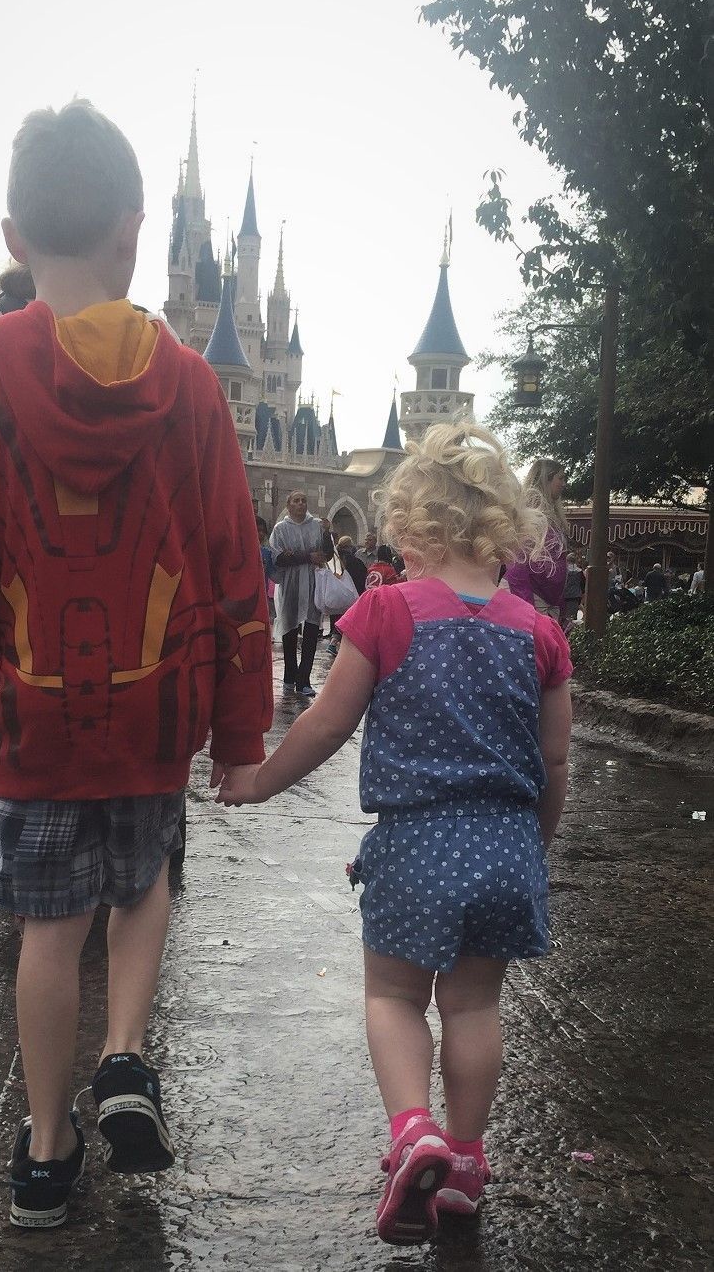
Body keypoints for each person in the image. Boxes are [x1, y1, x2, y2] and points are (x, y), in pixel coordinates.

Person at [0, 99, 272, 1230]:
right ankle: (125, 1051)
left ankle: (45, 1148)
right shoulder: (198, 390)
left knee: (47, 930)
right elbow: (233, 567)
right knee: (144, 878)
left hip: (29, 715)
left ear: (14, 240)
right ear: (135, 233)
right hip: (154, 710)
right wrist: (240, 729)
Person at [217, 422, 572, 1243]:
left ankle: (413, 1131)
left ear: (410, 527)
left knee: (394, 995)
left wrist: (261, 778)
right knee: (475, 1005)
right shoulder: (540, 632)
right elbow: (555, 762)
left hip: (416, 845)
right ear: (504, 530)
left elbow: (326, 724)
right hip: (506, 842)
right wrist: (535, 846)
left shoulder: (384, 612)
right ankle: (468, 1162)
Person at [270, 491, 333, 697]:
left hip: (313, 582)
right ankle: (289, 675)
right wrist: (307, 556)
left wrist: (326, 534)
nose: (300, 504)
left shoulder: (316, 526)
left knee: (311, 630)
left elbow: (327, 554)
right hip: (291, 584)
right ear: (288, 505)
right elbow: (278, 558)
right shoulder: (281, 529)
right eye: (296, 501)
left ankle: (304, 679)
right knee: (290, 629)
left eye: (304, 500)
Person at [504, 459, 568, 619]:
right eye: (560, 478)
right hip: (532, 599)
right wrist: (526, 607)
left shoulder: (550, 517)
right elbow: (517, 562)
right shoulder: (531, 515)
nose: (564, 483)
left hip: (547, 601)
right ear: (547, 479)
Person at [326, 535, 368, 655]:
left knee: (337, 619)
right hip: (352, 597)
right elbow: (361, 579)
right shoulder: (357, 562)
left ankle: (334, 643)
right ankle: (341, 646)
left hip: (336, 596)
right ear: (350, 547)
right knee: (349, 621)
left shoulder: (334, 561)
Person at [256, 514, 278, 622]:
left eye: (262, 531)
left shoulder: (267, 553)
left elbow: (275, 575)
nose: (260, 534)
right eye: (257, 530)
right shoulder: (239, 551)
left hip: (261, 597)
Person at [562, 550, 585, 624]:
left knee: (563, 616)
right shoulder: (580, 571)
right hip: (575, 596)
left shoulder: (564, 570)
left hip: (564, 595)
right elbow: (583, 584)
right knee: (572, 618)